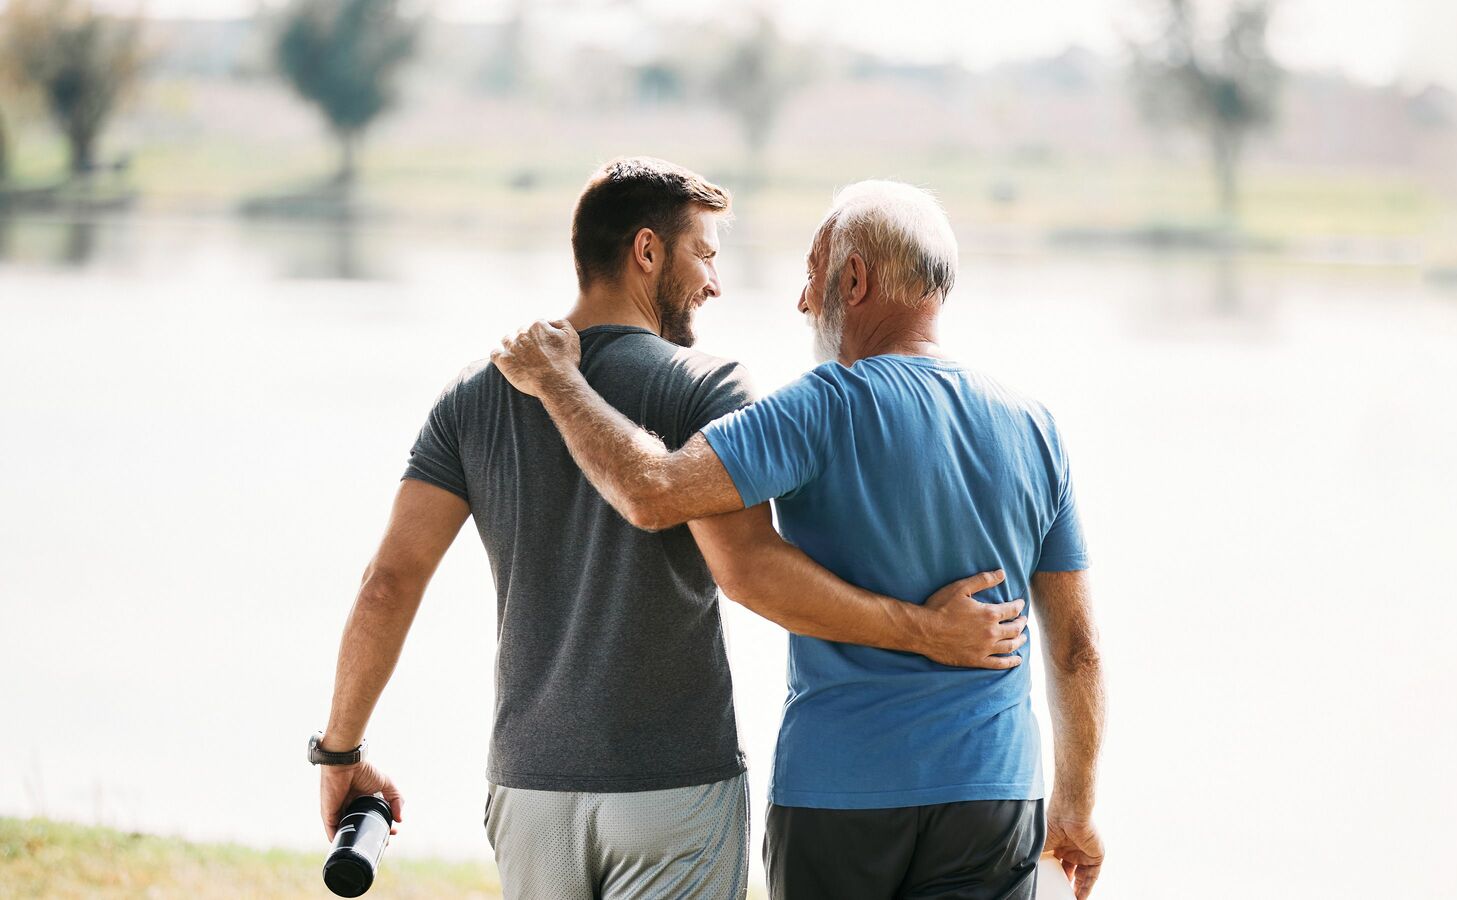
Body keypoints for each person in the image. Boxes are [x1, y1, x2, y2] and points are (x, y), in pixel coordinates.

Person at [308, 158, 1028, 900]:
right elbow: (749, 570)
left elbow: (386, 585)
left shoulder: (478, 393)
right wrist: (925, 630)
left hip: (528, 789)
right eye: (705, 255)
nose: (715, 282)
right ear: (647, 251)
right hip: (673, 786)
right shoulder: (708, 387)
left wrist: (340, 755)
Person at [493, 180, 1108, 899]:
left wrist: (558, 382)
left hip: (839, 794)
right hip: (994, 793)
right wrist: (1076, 807)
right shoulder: (1035, 426)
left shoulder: (819, 408)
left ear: (854, 278)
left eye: (813, 272)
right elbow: (1076, 648)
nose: (803, 299)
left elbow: (652, 492)